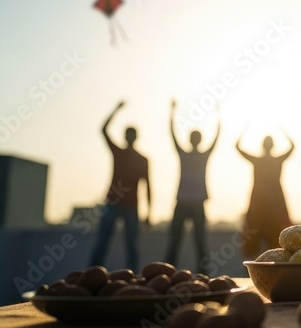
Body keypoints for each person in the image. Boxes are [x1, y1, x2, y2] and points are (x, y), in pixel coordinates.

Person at [90, 101, 151, 270]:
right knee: (103, 243)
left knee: (131, 246)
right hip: (113, 203)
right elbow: (103, 129)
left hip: (130, 206)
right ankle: (92, 276)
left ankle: (133, 279)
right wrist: (115, 110)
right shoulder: (120, 153)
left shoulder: (142, 160)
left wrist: (149, 212)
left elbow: (148, 186)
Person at [164, 99, 220, 272]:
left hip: (195, 204)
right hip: (184, 203)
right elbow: (172, 135)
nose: (194, 140)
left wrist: (218, 116)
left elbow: (217, 137)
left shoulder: (201, 156)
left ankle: (202, 276)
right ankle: (167, 273)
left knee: (199, 242)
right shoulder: (185, 154)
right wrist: (171, 114)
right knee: (176, 241)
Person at [237, 132, 294, 259]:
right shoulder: (276, 160)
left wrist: (244, 132)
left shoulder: (258, 160)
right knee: (269, 235)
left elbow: (238, 147)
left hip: (265, 204)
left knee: (263, 234)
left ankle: (259, 266)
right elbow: (292, 147)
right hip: (272, 204)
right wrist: (285, 132)